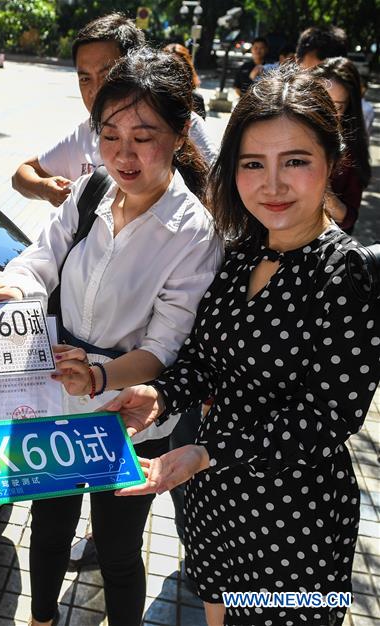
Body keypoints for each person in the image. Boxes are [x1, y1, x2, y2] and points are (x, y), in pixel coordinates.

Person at [107, 65, 380, 626]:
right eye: (253, 164)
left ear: (331, 161)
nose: (271, 185)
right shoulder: (240, 250)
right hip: (214, 496)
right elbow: (207, 360)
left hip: (294, 519)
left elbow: (328, 418)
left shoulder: (344, 272)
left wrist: (209, 451)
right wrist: (159, 395)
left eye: (295, 162)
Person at [0, 48, 223, 626]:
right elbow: (41, 259)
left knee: (119, 547)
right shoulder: (89, 193)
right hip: (58, 395)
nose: (123, 155)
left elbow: (163, 350)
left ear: (181, 133)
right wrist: (15, 291)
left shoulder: (194, 233)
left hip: (133, 415)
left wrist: (102, 375)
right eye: (109, 135)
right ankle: (42, 619)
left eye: (143, 136)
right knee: (49, 527)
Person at [12, 16, 218, 206]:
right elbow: (22, 174)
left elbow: (220, 193)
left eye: (143, 137)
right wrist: (47, 189)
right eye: (85, 78)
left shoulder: (182, 125)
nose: (95, 91)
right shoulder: (85, 133)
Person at [310, 57, 371, 233]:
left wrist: (326, 192)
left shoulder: (350, 151)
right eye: (319, 102)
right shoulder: (282, 132)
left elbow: (348, 218)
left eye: (337, 107)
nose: (325, 113)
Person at [164, 43, 206, 118]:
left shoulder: (196, 99)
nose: (174, 72)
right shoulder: (152, 98)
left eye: (179, 67)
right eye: (168, 66)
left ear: (187, 69)